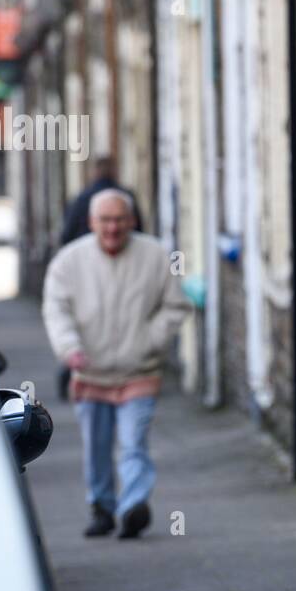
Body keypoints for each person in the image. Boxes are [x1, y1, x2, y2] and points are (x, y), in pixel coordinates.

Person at [42, 188, 190, 539]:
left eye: (119, 220)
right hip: (89, 373)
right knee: (96, 447)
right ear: (92, 222)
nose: (112, 228)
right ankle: (102, 506)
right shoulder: (68, 262)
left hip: (138, 373)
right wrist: (70, 349)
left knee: (134, 443)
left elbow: (176, 307)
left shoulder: (156, 257)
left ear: (132, 221)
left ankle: (133, 507)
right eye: (105, 220)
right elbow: (55, 310)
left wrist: (148, 341)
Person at [55, 160, 145, 400]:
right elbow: (140, 234)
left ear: (94, 173)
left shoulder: (82, 199)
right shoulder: (127, 198)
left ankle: (75, 374)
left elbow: (66, 236)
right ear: (115, 172)